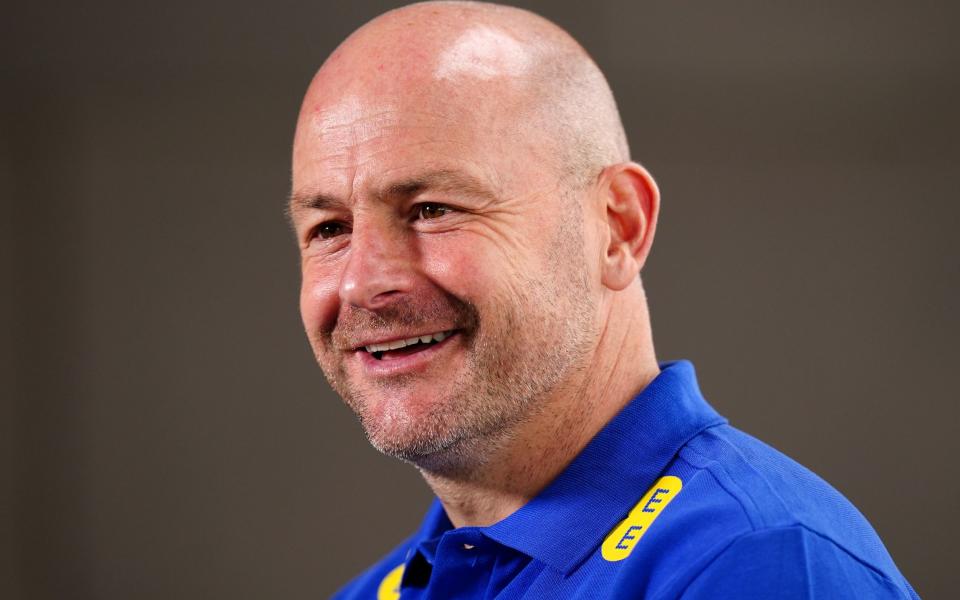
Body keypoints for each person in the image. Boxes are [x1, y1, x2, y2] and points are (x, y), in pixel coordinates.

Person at [288, 2, 918, 598]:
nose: (361, 283)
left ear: (618, 227)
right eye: (330, 229)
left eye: (432, 209)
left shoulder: (757, 563)